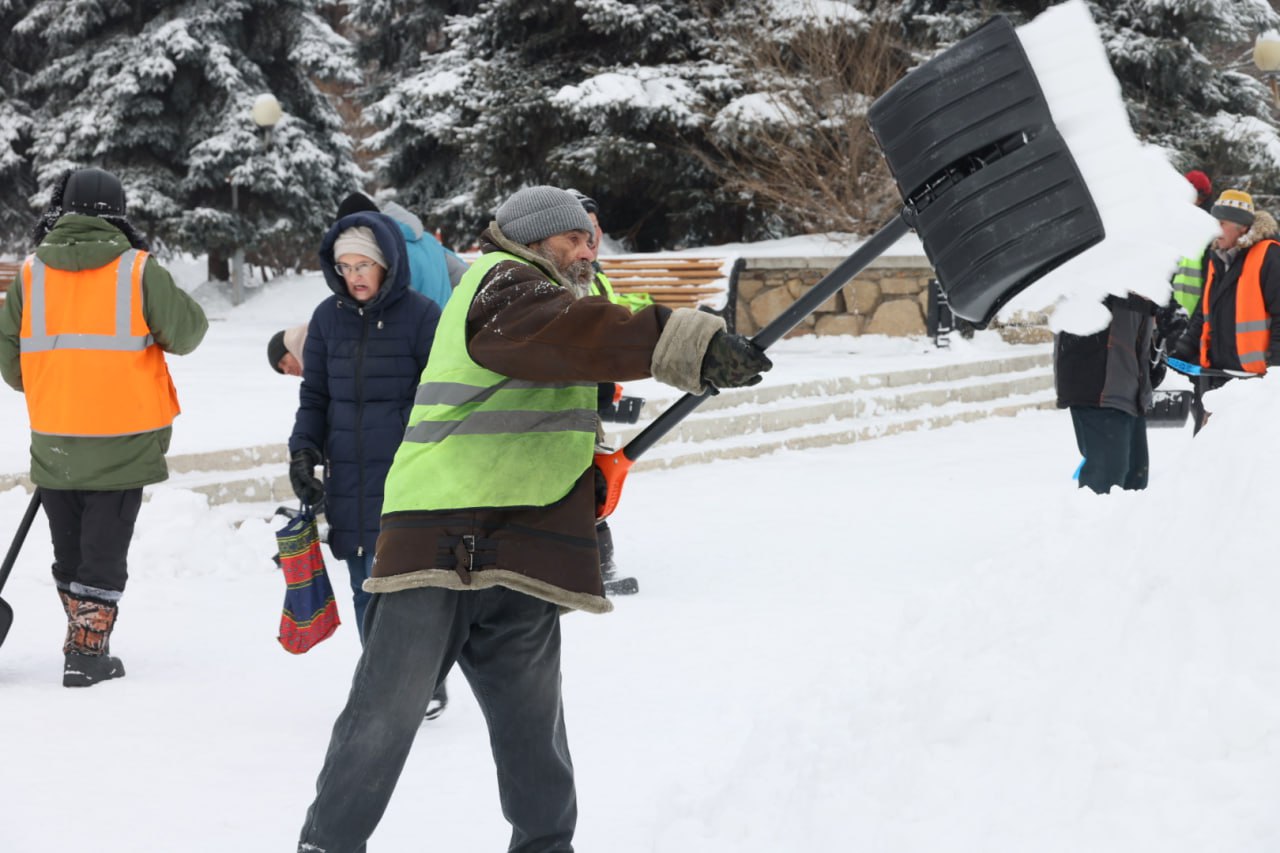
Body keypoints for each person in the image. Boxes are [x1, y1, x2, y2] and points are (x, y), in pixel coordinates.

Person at [296, 186, 772, 852]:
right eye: (575, 239)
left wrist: (697, 344)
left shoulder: (555, 298)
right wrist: (680, 342)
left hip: (517, 549)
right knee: (385, 714)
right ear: (536, 237)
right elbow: (575, 334)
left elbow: (601, 328)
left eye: (591, 240)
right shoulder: (501, 286)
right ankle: (328, 842)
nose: (587, 250)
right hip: (436, 541)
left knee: (533, 728)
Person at [0, 167, 208, 687]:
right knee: (103, 550)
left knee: (69, 548)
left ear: (61, 209)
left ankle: (81, 641)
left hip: (56, 438)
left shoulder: (30, 275)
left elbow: (11, 365)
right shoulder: (138, 270)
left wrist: (60, 385)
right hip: (124, 438)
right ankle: (87, 652)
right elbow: (186, 333)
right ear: (119, 213)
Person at [287, 212, 441, 642]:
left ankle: (421, 680)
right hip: (350, 478)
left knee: (405, 586)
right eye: (345, 267)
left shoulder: (422, 316)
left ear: (386, 264)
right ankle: (378, 687)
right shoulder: (327, 319)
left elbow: (437, 399)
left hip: (405, 476)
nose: (354, 276)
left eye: (363, 265)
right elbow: (315, 395)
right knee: (362, 587)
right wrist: (304, 452)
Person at [567, 188, 652, 594]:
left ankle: (599, 567)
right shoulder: (568, 279)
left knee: (593, 483)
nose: (593, 235)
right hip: (572, 399)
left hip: (595, 396)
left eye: (596, 227)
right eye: (583, 229)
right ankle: (592, 569)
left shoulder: (595, 274)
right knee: (585, 485)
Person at [1171, 189, 1280, 429]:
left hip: (1254, 384)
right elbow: (1203, 314)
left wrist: (1275, 371)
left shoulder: (1269, 257)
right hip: (1216, 380)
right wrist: (1180, 350)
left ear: (1242, 227)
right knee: (1211, 457)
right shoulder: (1216, 258)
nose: (1215, 229)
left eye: (1222, 223)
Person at [1053, 293, 1164, 494]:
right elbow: (1110, 294)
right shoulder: (1102, 270)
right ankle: (1091, 525)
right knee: (1107, 487)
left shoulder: (1137, 273)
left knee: (1134, 485)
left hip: (1127, 385)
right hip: (1097, 383)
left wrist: (1149, 361)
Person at [336, 191, 467, 309]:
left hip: (413, 333)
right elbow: (464, 275)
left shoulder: (386, 254)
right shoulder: (427, 240)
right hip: (445, 330)